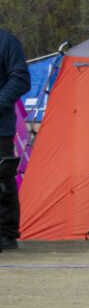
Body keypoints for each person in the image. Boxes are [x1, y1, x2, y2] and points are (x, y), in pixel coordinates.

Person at [0, 27, 30, 252]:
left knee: (2, 179)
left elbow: (20, 79)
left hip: (0, 126)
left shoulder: (6, 40)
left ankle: (6, 234)